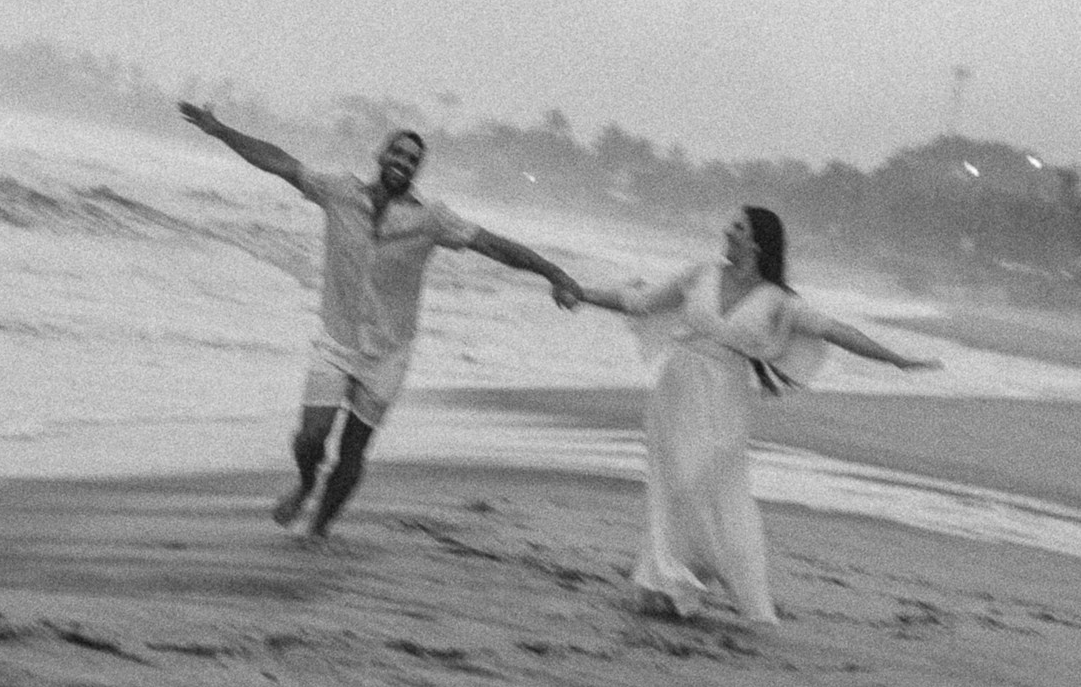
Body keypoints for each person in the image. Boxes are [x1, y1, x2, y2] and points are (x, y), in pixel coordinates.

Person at [178, 106, 583, 543]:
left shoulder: (431, 218)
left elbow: (493, 246)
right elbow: (280, 163)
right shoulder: (337, 191)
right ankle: (307, 482)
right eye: (398, 153)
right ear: (381, 154)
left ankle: (317, 526)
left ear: (416, 170)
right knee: (311, 436)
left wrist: (553, 273)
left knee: (353, 450)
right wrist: (221, 131)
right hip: (337, 338)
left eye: (412, 160)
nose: (403, 163)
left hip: (388, 351)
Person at [568, 205, 939, 626]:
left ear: (757, 242)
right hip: (675, 393)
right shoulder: (701, 275)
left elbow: (835, 330)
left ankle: (706, 573)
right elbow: (640, 302)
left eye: (738, 226)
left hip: (724, 400)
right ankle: (667, 581)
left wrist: (895, 359)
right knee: (672, 486)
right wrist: (579, 292)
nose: (728, 230)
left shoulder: (777, 302)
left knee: (707, 484)